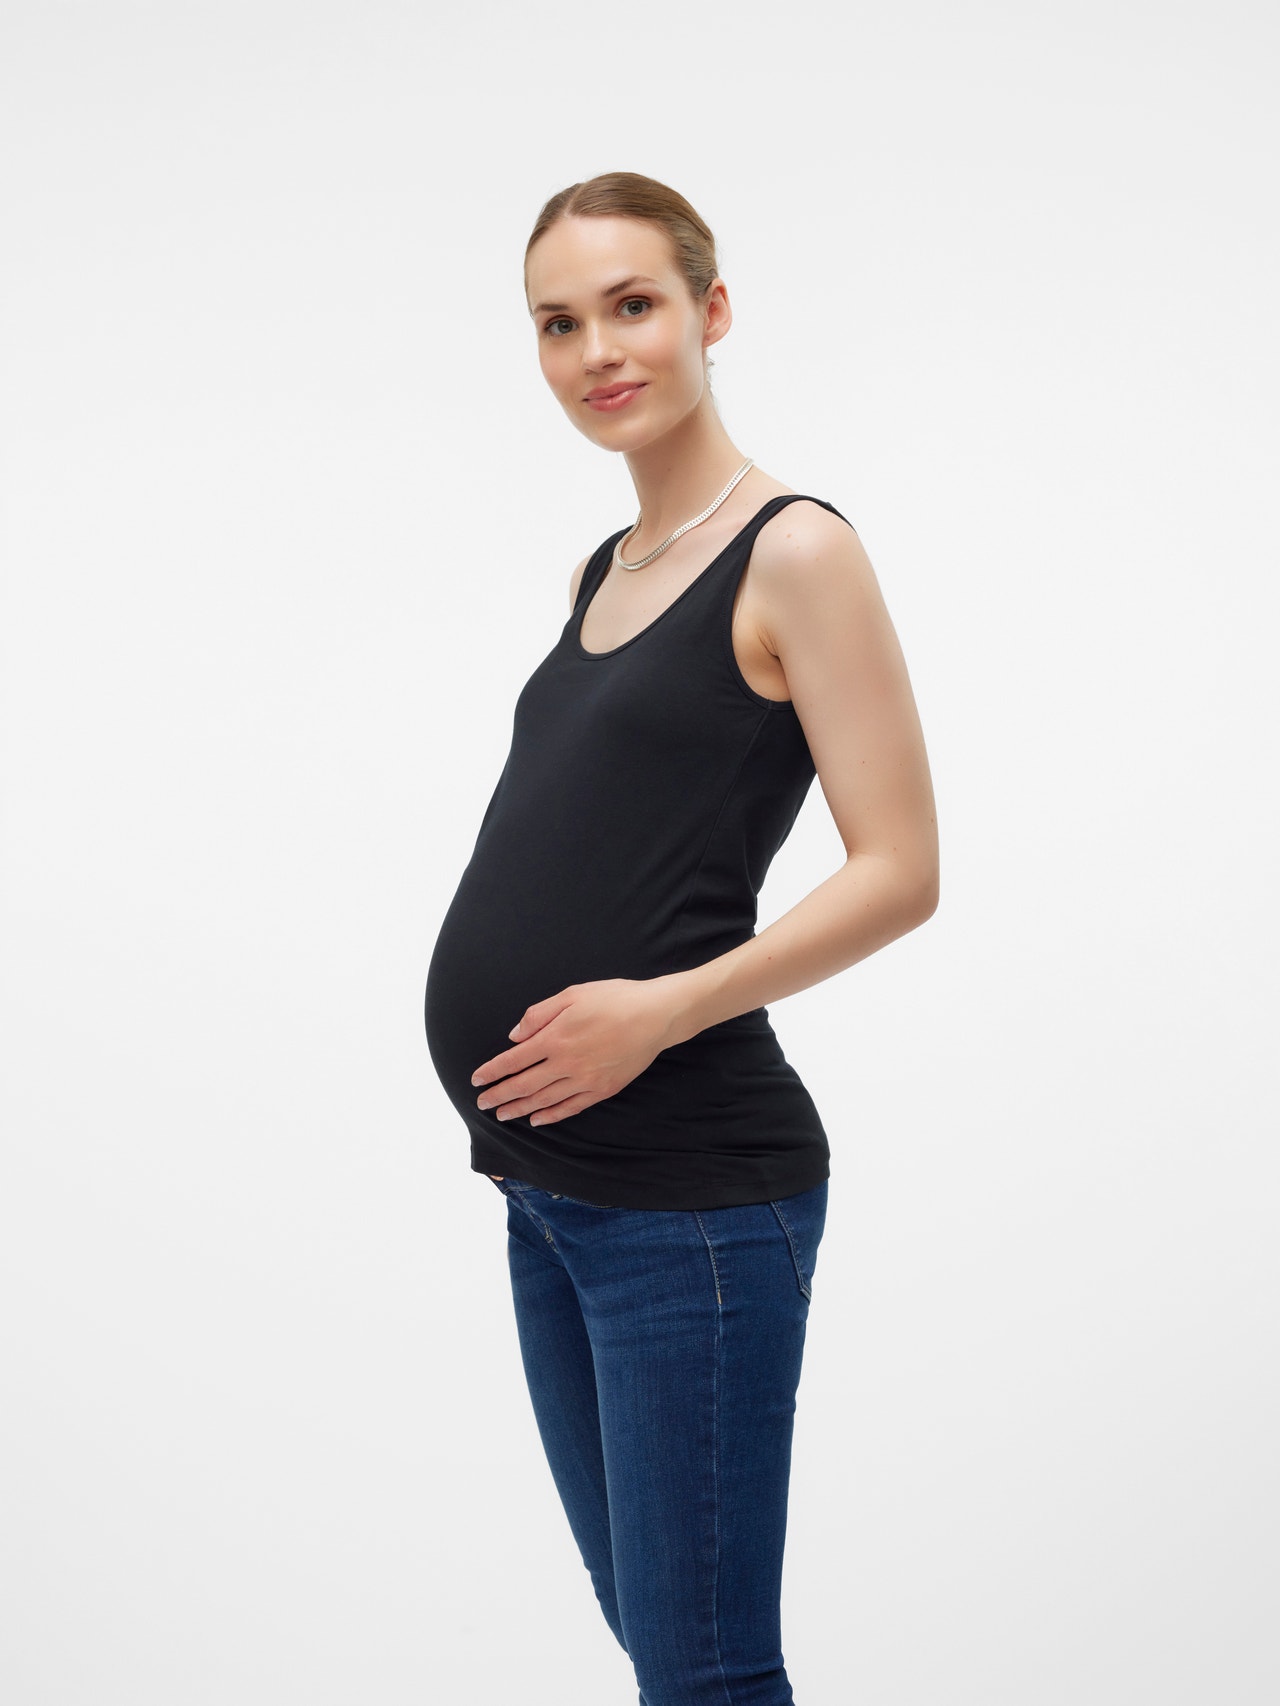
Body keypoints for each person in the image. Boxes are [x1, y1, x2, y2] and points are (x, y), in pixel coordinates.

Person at [423, 170, 938, 1705]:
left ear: (713, 312)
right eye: (557, 323)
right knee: (659, 1639)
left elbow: (902, 869)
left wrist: (662, 1009)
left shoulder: (796, 550)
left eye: (633, 305)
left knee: (704, 1672)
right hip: (549, 1189)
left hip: (691, 1204)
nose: (597, 351)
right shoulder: (604, 567)